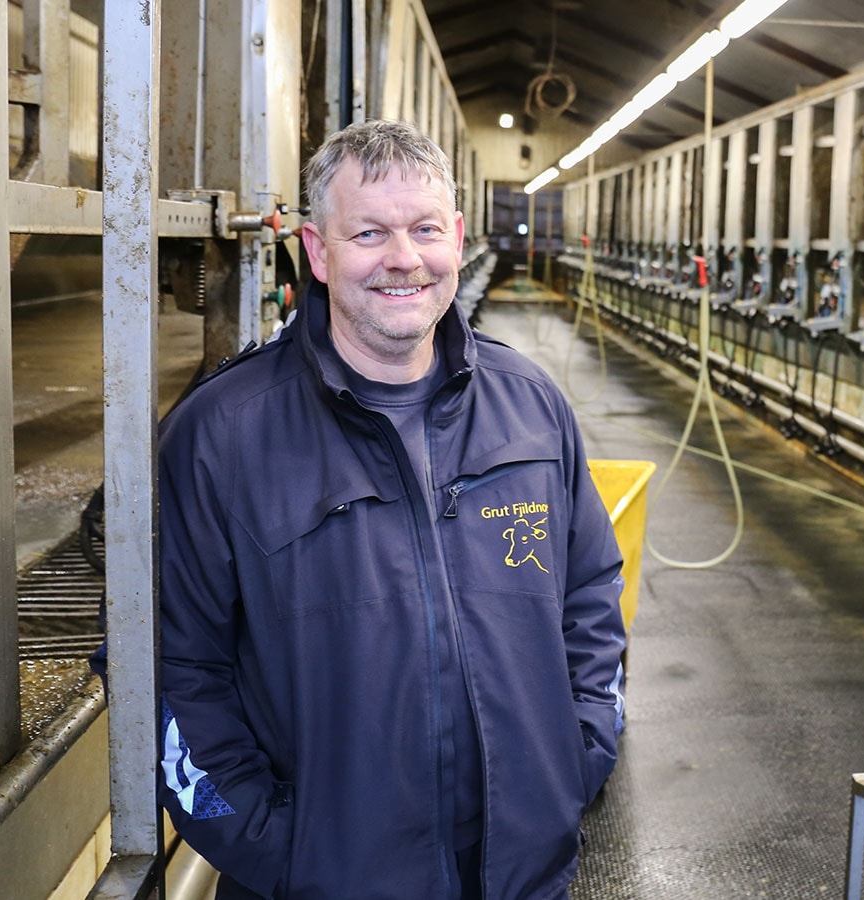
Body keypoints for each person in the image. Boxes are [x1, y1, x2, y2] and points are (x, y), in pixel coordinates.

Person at [155, 119, 627, 899]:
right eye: (368, 232)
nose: (404, 259)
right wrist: (277, 848)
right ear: (317, 251)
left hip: (521, 874)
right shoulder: (221, 435)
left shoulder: (531, 407)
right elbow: (175, 669)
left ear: (458, 237)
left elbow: (591, 594)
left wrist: (574, 760)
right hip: (322, 882)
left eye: (425, 229)